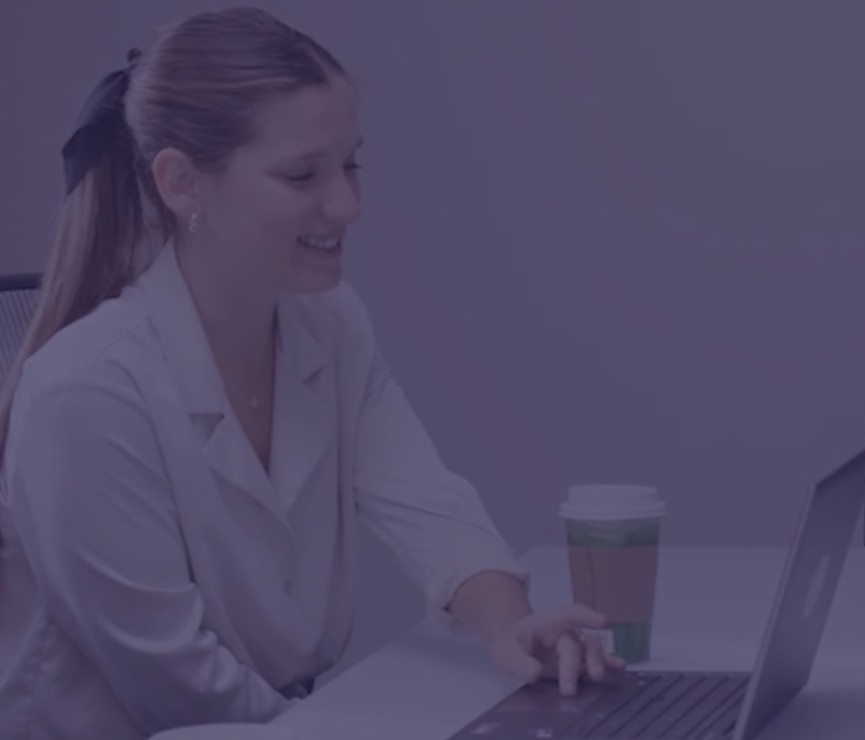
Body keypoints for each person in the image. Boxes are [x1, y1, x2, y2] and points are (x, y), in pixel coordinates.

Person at [0, 9, 620, 738]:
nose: (349, 206)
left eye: (350, 163)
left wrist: (510, 624)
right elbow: (177, 687)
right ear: (181, 183)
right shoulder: (87, 393)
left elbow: (428, 507)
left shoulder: (328, 323)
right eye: (302, 174)